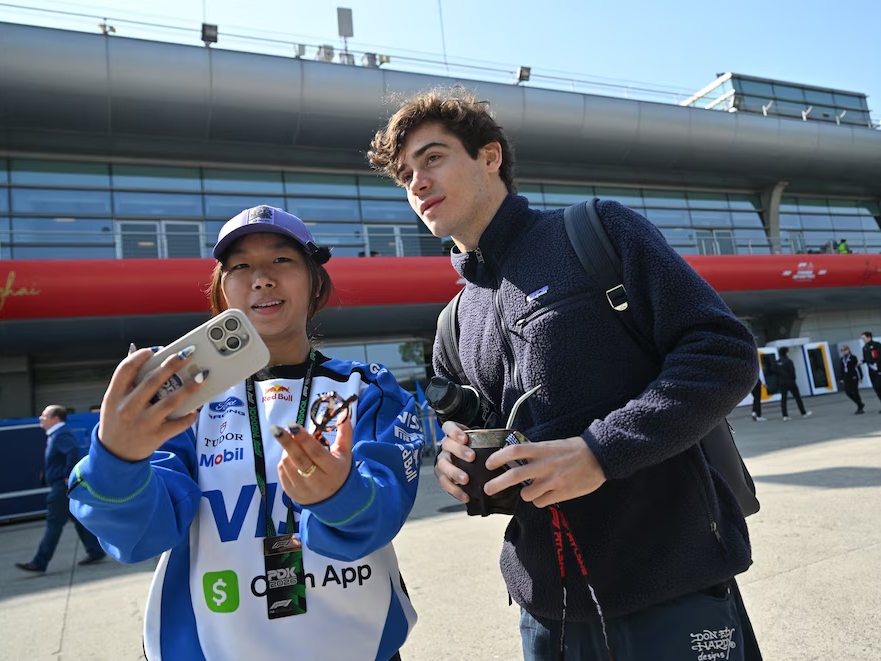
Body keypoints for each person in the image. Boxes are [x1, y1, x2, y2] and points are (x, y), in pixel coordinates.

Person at [369, 89, 762, 660]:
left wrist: (601, 451)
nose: (417, 183)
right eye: (405, 174)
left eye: (433, 158)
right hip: (548, 618)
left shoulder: (596, 232)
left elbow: (723, 352)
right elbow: (505, 463)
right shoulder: (453, 323)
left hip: (671, 588)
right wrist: (466, 471)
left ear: (489, 157)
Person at [67, 206, 421, 661]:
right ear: (221, 293)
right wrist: (117, 460)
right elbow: (142, 536)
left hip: (359, 645)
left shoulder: (366, 387)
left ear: (315, 283)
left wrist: (342, 495)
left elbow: (382, 511)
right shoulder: (184, 403)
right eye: (240, 266)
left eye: (281, 260)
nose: (262, 278)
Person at [15, 405, 107, 573]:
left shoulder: (61, 434)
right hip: (62, 486)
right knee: (78, 520)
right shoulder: (56, 435)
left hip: (61, 488)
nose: (41, 419)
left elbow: (72, 452)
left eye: (44, 416)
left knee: (54, 524)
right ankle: (96, 551)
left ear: (55, 418)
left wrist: (67, 476)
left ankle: (39, 562)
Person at [776, 347, 812, 421]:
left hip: (782, 382)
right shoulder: (788, 361)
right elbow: (792, 371)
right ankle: (803, 413)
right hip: (790, 382)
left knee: (783, 399)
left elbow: (775, 372)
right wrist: (793, 379)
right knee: (797, 397)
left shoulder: (777, 362)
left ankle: (785, 415)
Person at [858, 331, 881, 411]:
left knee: (879, 385)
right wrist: (862, 361)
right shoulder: (865, 347)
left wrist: (877, 363)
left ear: (869, 337)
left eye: (864, 338)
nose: (863, 340)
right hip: (871, 370)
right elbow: (866, 358)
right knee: (876, 388)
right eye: (862, 339)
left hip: (878, 369)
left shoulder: (876, 345)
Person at [839, 345, 864, 414]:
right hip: (846, 377)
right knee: (848, 392)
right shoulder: (842, 359)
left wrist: (860, 377)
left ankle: (860, 407)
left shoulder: (853, 357)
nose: (844, 352)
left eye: (845, 350)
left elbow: (857, 367)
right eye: (842, 350)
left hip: (853, 376)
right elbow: (842, 369)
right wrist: (841, 378)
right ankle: (859, 403)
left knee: (855, 392)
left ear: (848, 350)